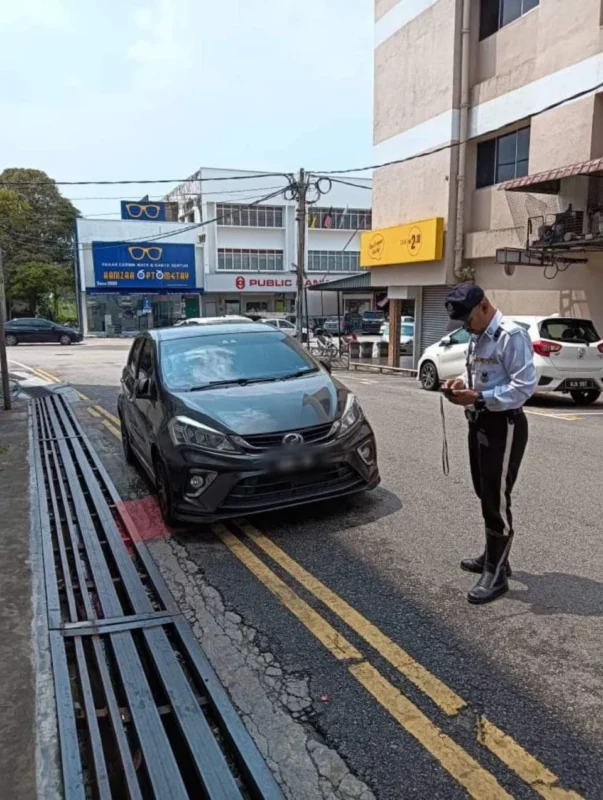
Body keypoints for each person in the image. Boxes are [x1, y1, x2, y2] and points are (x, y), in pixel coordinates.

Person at [443, 284, 536, 605]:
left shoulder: (512, 336)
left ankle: (496, 574)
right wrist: (460, 385)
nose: (465, 327)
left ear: (483, 306)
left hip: (504, 424)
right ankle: (495, 556)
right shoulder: (478, 335)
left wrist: (480, 397)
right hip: (479, 421)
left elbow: (523, 387)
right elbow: (481, 377)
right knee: (483, 491)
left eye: (467, 319)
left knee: (496, 497)